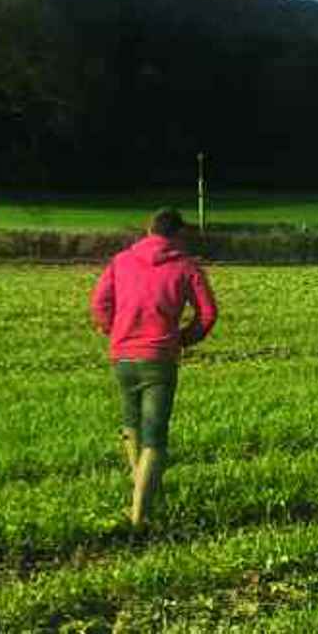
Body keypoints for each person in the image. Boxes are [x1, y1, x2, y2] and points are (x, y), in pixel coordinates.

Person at [90, 207, 218, 526]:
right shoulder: (186, 267)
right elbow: (208, 313)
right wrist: (183, 339)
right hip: (159, 358)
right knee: (155, 439)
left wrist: (113, 329)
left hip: (122, 355)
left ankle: (139, 489)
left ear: (149, 230)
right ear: (178, 235)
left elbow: (99, 303)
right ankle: (139, 517)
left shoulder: (121, 261)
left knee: (131, 423)